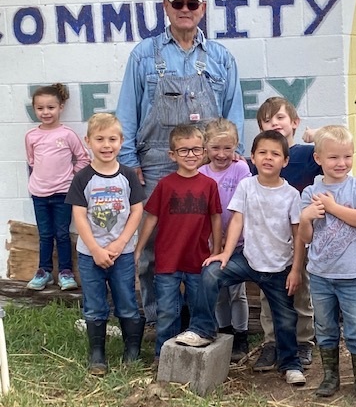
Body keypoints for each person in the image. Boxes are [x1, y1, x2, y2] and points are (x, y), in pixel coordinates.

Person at [115, 0, 244, 329]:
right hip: (155, 165)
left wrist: (234, 155)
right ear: (166, 7)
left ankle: (212, 323)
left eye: (192, 3)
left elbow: (234, 111)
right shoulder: (144, 54)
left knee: (209, 244)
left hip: (211, 164)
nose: (185, 9)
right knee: (153, 246)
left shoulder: (221, 58)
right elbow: (127, 110)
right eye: (178, 3)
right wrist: (128, 162)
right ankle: (160, 322)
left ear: (203, 9)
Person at [175, 130, 306, 387]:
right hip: (247, 260)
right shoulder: (247, 185)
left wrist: (297, 269)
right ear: (252, 158)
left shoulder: (291, 195)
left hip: (279, 268)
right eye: (262, 153)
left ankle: (290, 364)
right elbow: (237, 219)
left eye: (275, 154)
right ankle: (202, 329)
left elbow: (298, 234)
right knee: (211, 272)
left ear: (285, 161)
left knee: (286, 319)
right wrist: (224, 252)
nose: (268, 158)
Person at [299, 125, 356, 405]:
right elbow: (306, 238)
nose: (342, 163)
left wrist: (332, 208)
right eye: (333, 157)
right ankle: (330, 376)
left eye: (347, 156)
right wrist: (307, 218)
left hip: (354, 273)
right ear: (318, 158)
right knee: (325, 327)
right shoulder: (310, 191)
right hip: (321, 274)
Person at [65, 113, 146, 375]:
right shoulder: (83, 178)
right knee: (95, 303)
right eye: (99, 139)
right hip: (91, 255)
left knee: (126, 301)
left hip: (122, 254)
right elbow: (79, 216)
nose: (106, 145)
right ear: (88, 141)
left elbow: (136, 211)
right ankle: (97, 354)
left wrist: (122, 242)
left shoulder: (128, 176)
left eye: (112, 139)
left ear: (121, 141)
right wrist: (97, 250)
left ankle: (131, 351)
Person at [135, 124, 222, 361]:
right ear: (172, 155)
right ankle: (163, 358)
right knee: (167, 312)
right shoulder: (165, 185)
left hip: (198, 260)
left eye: (195, 150)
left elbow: (216, 217)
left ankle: (192, 358)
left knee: (198, 309)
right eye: (183, 151)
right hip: (167, 262)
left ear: (204, 152)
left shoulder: (209, 185)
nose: (190, 155)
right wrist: (139, 249)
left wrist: (216, 250)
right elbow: (151, 218)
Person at [251, 97, 320, 371]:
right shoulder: (260, 158)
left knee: (300, 291)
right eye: (267, 120)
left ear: (294, 122)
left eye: (280, 117)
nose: (274, 123)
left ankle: (304, 341)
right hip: (270, 241)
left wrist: (318, 135)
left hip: (300, 237)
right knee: (269, 295)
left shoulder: (307, 154)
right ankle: (272, 343)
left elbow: (339, 143)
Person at [25, 83, 90, 291]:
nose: (46, 112)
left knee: (62, 234)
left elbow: (83, 158)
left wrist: (70, 177)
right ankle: (44, 272)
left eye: (50, 107)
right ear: (34, 109)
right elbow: (32, 161)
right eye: (40, 108)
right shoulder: (31, 136)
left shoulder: (67, 134)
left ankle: (65, 272)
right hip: (39, 195)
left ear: (61, 107)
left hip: (63, 193)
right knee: (45, 234)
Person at [199, 118, 251, 362]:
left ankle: (241, 334)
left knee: (237, 292)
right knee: (218, 290)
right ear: (205, 147)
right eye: (216, 148)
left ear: (236, 147)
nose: (222, 154)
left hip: (239, 242)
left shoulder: (240, 169)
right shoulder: (201, 173)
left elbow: (243, 205)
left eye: (228, 148)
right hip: (211, 244)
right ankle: (225, 330)